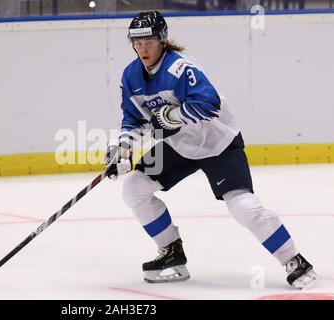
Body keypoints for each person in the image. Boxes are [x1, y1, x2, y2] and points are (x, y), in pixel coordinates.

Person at [104, 11, 317, 289]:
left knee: (243, 207)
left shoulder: (180, 68)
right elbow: (134, 119)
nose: (143, 49)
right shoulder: (131, 76)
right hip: (180, 146)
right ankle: (172, 254)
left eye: (149, 41)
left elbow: (209, 104)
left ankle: (294, 260)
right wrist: (122, 148)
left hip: (218, 143)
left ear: (162, 40)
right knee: (134, 188)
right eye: (137, 42)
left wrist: (171, 116)